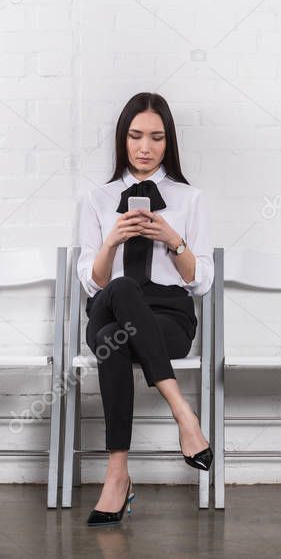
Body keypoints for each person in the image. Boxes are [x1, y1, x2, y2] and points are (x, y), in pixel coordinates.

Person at [76, 92, 214, 527]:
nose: (144, 147)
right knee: (118, 287)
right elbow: (90, 281)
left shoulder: (190, 199)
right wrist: (113, 240)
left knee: (107, 344)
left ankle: (117, 477)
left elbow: (203, 281)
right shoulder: (96, 199)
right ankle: (183, 412)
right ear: (123, 139)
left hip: (167, 317)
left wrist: (173, 239)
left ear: (168, 142)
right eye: (136, 136)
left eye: (156, 137)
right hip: (109, 305)